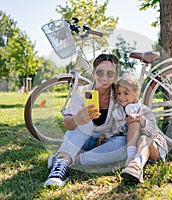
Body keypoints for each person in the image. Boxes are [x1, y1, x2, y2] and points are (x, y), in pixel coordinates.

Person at [45, 53, 128, 187]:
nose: (104, 78)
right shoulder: (81, 92)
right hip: (81, 141)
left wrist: (107, 135)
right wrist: (77, 119)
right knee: (87, 124)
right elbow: (67, 123)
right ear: (93, 73)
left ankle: (68, 160)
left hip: (104, 145)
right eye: (100, 73)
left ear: (116, 76)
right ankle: (58, 171)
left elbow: (125, 126)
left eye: (110, 74)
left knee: (126, 143)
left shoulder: (120, 96)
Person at [109, 75, 169, 183]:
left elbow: (153, 131)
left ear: (136, 94)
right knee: (138, 134)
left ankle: (132, 161)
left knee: (143, 137)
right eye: (119, 93)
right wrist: (105, 136)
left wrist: (140, 119)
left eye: (126, 93)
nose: (121, 97)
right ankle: (136, 167)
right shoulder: (119, 113)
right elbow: (116, 131)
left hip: (153, 146)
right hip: (139, 149)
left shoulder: (143, 110)